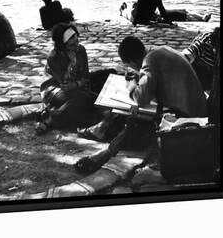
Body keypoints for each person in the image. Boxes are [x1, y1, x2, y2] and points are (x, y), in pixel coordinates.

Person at [76, 35, 207, 172]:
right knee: (130, 114)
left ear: (132, 60)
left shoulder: (149, 62)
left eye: (128, 64)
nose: (130, 67)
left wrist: (131, 84)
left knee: (134, 119)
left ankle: (106, 152)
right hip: (194, 106)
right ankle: (103, 136)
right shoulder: (159, 51)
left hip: (187, 116)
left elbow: (141, 98)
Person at [35, 23, 96, 134]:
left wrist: (79, 84)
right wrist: (72, 62)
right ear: (62, 43)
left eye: (75, 36)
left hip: (77, 86)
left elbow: (85, 76)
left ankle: (57, 112)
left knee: (107, 75)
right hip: (55, 89)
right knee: (84, 98)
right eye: (71, 39)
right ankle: (51, 118)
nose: (76, 40)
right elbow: (66, 84)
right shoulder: (54, 57)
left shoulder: (81, 50)